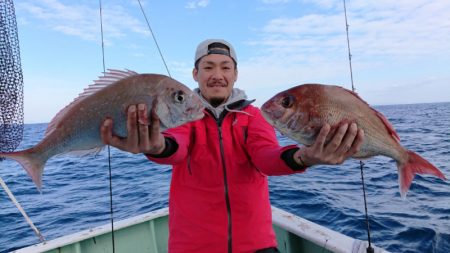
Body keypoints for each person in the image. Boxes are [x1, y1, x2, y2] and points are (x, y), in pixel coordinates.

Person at [100, 39, 364, 253]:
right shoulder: (183, 114)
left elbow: (266, 158)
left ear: (235, 74)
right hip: (191, 247)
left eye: (226, 67)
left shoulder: (255, 115)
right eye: (208, 67)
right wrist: (156, 145)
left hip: (257, 245)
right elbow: (175, 147)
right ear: (195, 73)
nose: (217, 75)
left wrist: (303, 157)